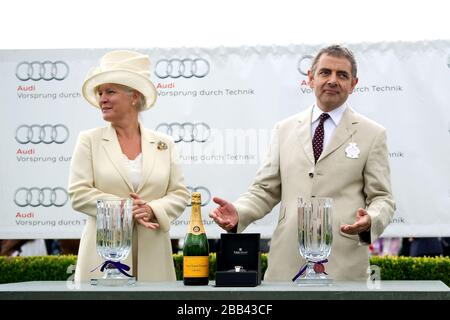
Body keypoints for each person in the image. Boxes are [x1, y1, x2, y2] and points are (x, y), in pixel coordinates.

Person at [210, 44, 396, 281]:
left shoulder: (373, 134)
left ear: (353, 84)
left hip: (344, 265)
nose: (332, 80)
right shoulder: (284, 129)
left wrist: (371, 219)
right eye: (325, 72)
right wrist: (239, 212)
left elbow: (383, 198)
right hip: (286, 263)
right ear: (310, 78)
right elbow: (264, 190)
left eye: (342, 75)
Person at [68, 50, 189, 282]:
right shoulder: (88, 140)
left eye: (110, 91)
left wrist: (153, 209)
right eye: (100, 92)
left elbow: (179, 194)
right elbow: (78, 194)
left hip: (154, 254)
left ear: (134, 96)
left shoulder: (165, 144)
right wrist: (125, 209)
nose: (102, 98)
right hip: (102, 258)